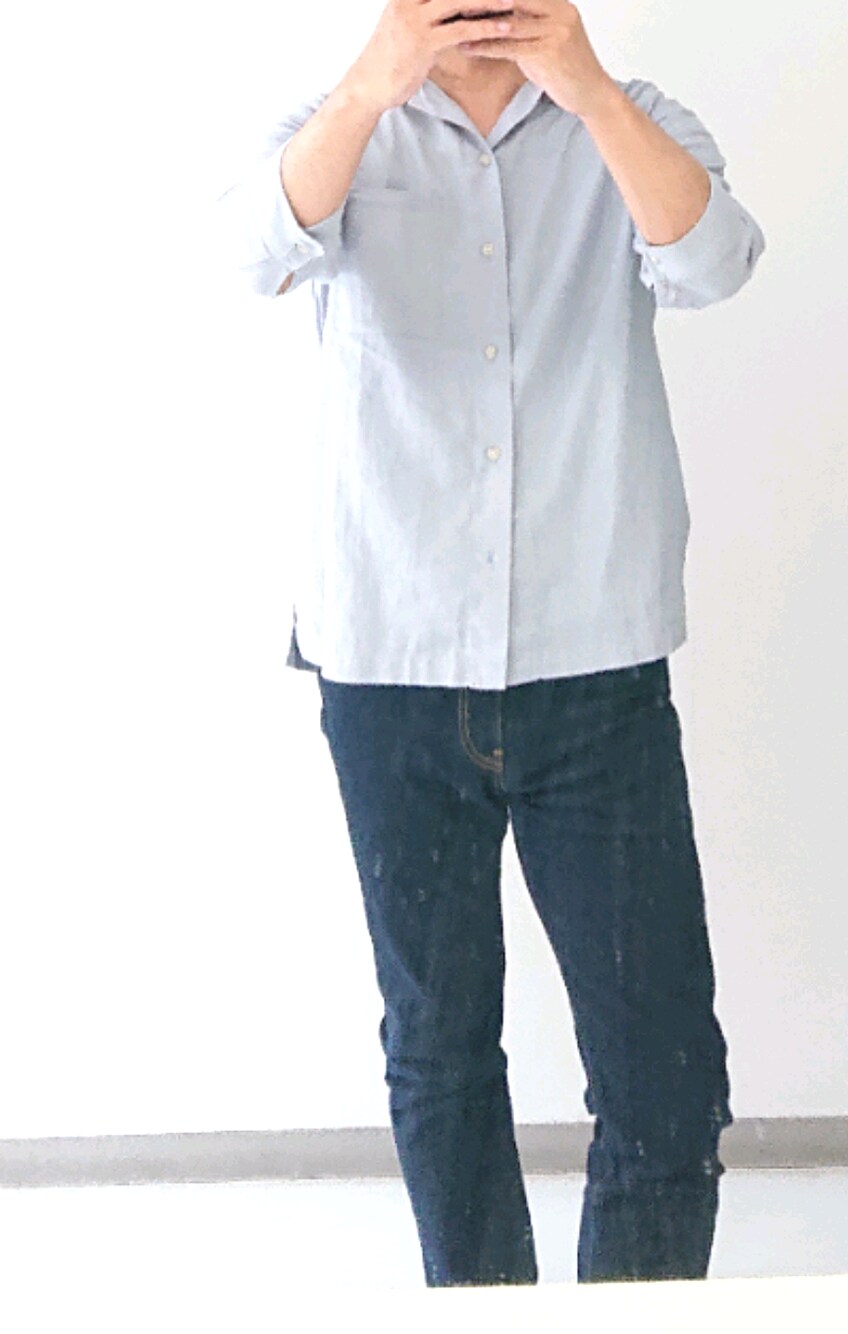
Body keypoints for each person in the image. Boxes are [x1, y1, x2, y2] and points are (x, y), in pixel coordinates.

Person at [215, 0, 766, 1288]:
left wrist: (590, 90)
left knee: (665, 1068)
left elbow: (714, 264)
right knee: (440, 1048)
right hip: (390, 658)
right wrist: (372, 86)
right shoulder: (337, 125)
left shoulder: (628, 119)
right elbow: (251, 255)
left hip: (595, 660)